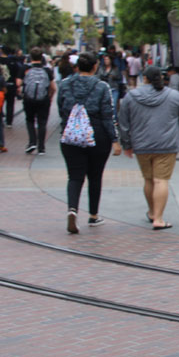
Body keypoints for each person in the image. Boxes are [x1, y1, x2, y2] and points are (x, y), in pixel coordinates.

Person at [118, 66, 179, 230]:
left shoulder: (131, 96)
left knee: (148, 179)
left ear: (144, 78)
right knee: (161, 180)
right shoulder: (173, 95)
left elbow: (123, 122)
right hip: (166, 144)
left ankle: (152, 212)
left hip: (141, 144)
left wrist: (126, 144)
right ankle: (158, 218)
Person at [57, 52, 122, 233]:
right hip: (97, 134)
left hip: (71, 135)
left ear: (77, 66)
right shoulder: (102, 87)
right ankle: (93, 215)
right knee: (95, 176)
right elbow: (108, 116)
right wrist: (115, 140)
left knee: (75, 176)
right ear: (95, 66)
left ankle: (72, 209)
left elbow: (61, 110)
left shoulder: (64, 85)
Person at [21, 47, 57, 155]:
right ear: (42, 57)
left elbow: (18, 83)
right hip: (44, 99)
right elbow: (53, 87)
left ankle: (32, 142)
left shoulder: (25, 68)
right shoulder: (47, 70)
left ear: (30, 57)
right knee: (42, 122)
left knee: (30, 120)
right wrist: (50, 97)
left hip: (29, 99)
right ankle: (41, 147)